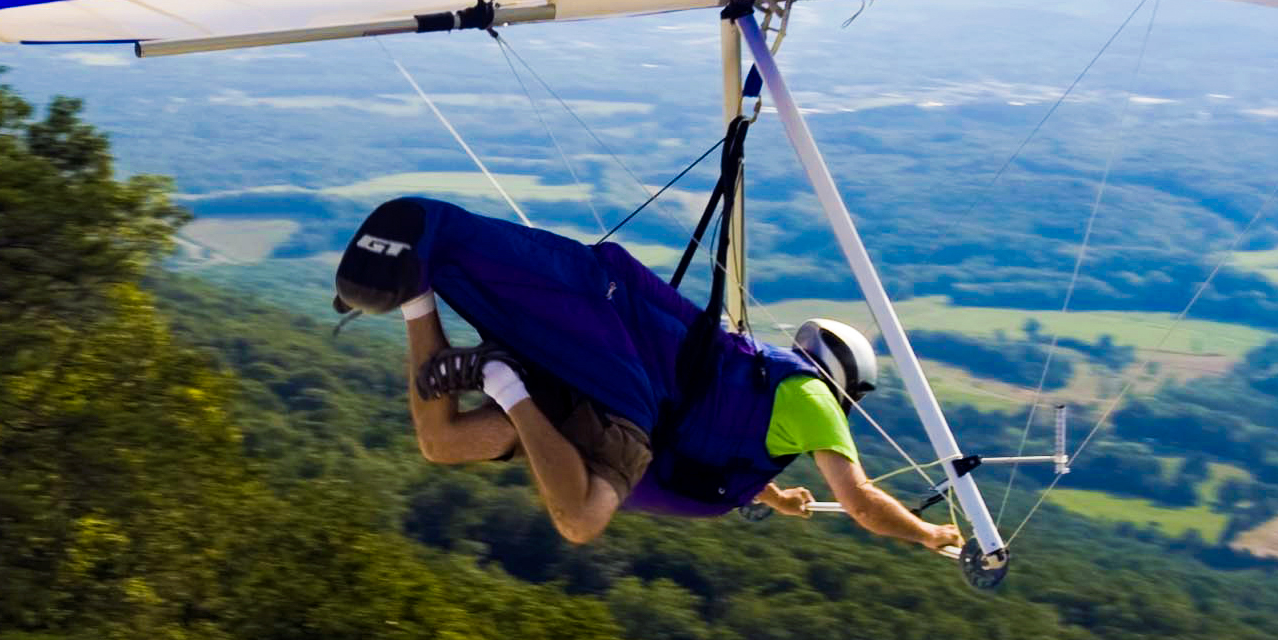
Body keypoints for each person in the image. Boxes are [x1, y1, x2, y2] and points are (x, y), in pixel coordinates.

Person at [332, 196, 966, 556]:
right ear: (844, 382)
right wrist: (927, 532)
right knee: (580, 520)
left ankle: (416, 297)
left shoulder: (769, 384)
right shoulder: (815, 400)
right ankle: (505, 381)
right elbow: (859, 501)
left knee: (442, 442)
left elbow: (724, 444)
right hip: (628, 418)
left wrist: (773, 496)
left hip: (589, 395)